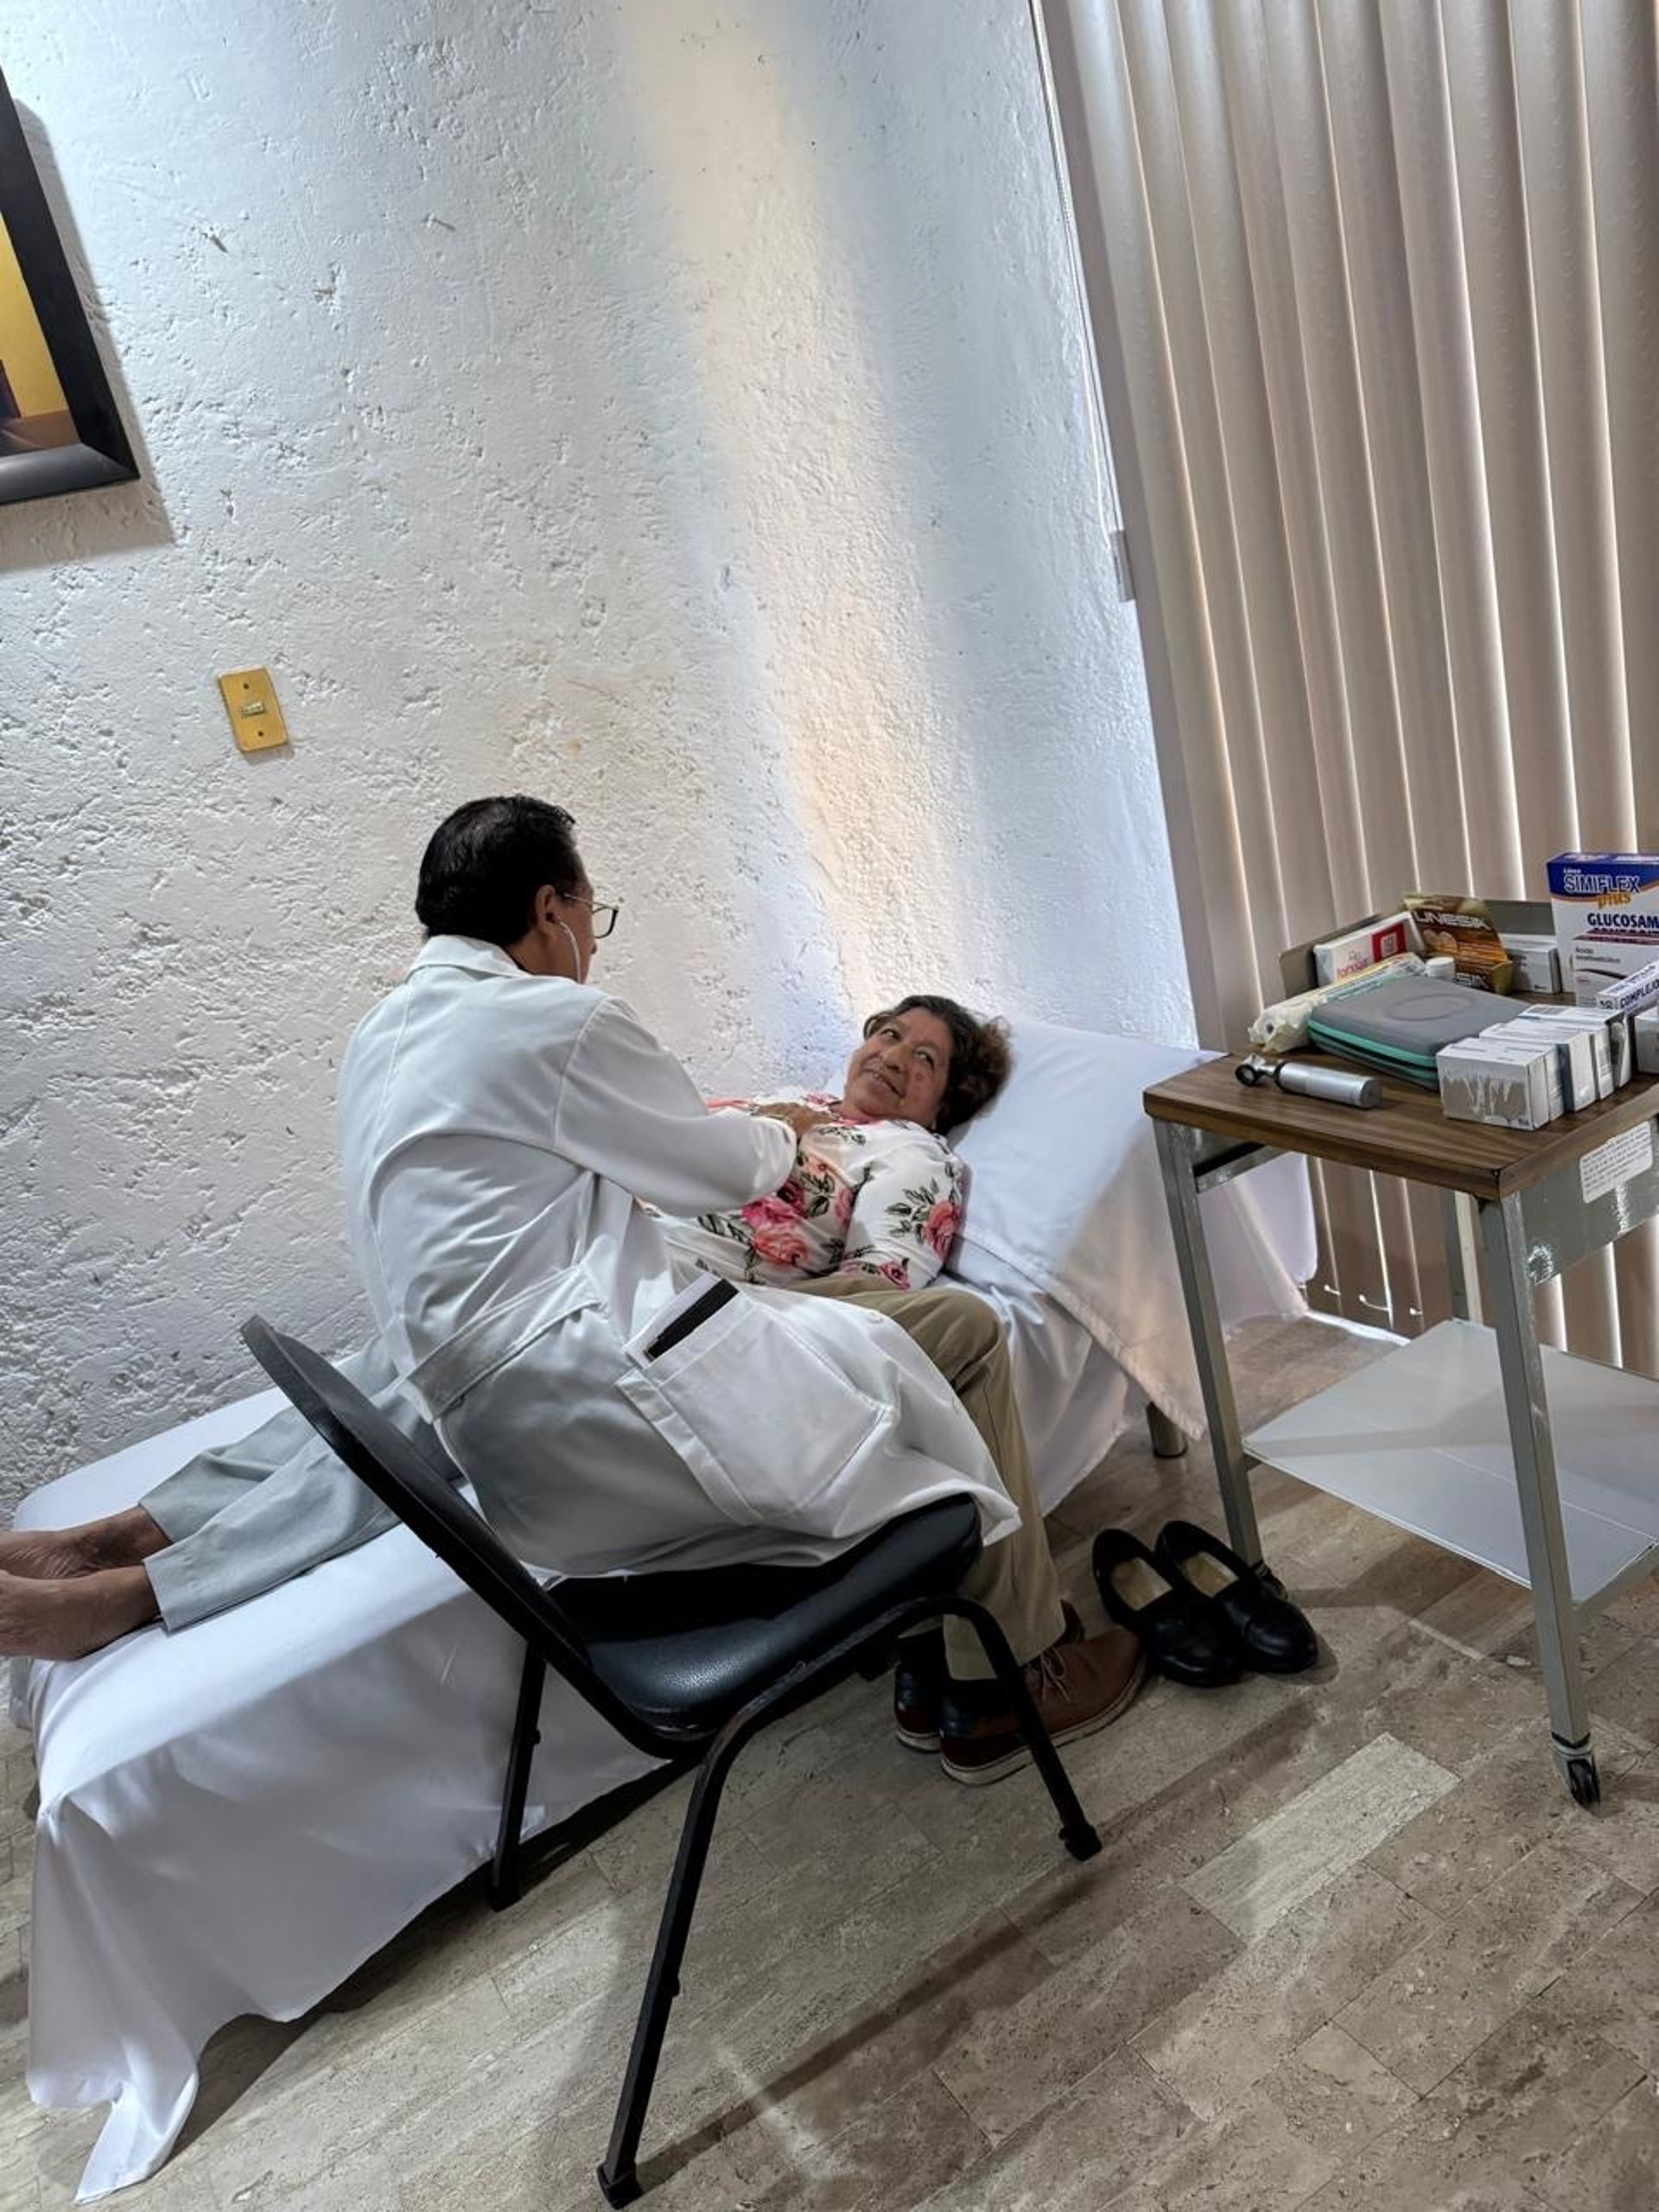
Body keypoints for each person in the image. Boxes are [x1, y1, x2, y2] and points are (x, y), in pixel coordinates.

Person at [2, 798, 1141, 1784]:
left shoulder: (907, 1156)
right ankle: (118, 1546)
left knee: (962, 1329)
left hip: (717, 1291)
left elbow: (883, 1267)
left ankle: (119, 1556)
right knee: (381, 1379)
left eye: (923, 1056)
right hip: (633, 1303)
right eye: (882, 1032)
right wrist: (770, 1131)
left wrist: (776, 1150)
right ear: (550, 909)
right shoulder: (626, 1044)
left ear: (945, 1102)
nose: (890, 1054)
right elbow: (686, 1160)